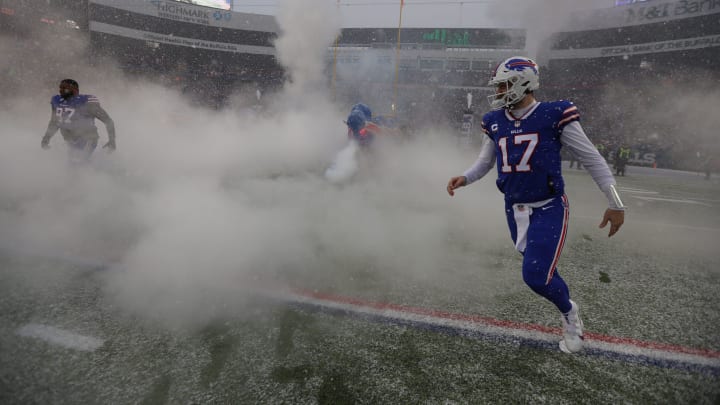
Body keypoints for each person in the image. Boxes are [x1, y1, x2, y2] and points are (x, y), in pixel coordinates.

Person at [446, 56, 625, 354]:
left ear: (523, 81)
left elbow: (592, 157)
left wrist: (615, 202)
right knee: (538, 271)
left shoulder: (554, 113)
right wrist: (464, 178)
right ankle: (565, 303)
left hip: (548, 206)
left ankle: (570, 314)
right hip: (514, 209)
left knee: (536, 275)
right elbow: (485, 162)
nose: (500, 91)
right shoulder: (494, 120)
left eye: (504, 85)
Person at [41, 79, 116, 161]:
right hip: (70, 140)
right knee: (73, 165)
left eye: (64, 88)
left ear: (75, 90)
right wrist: (46, 138)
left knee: (78, 163)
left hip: (87, 138)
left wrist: (112, 140)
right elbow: (55, 121)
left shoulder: (86, 102)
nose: (61, 90)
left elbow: (108, 120)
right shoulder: (56, 100)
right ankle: (97, 169)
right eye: (60, 87)